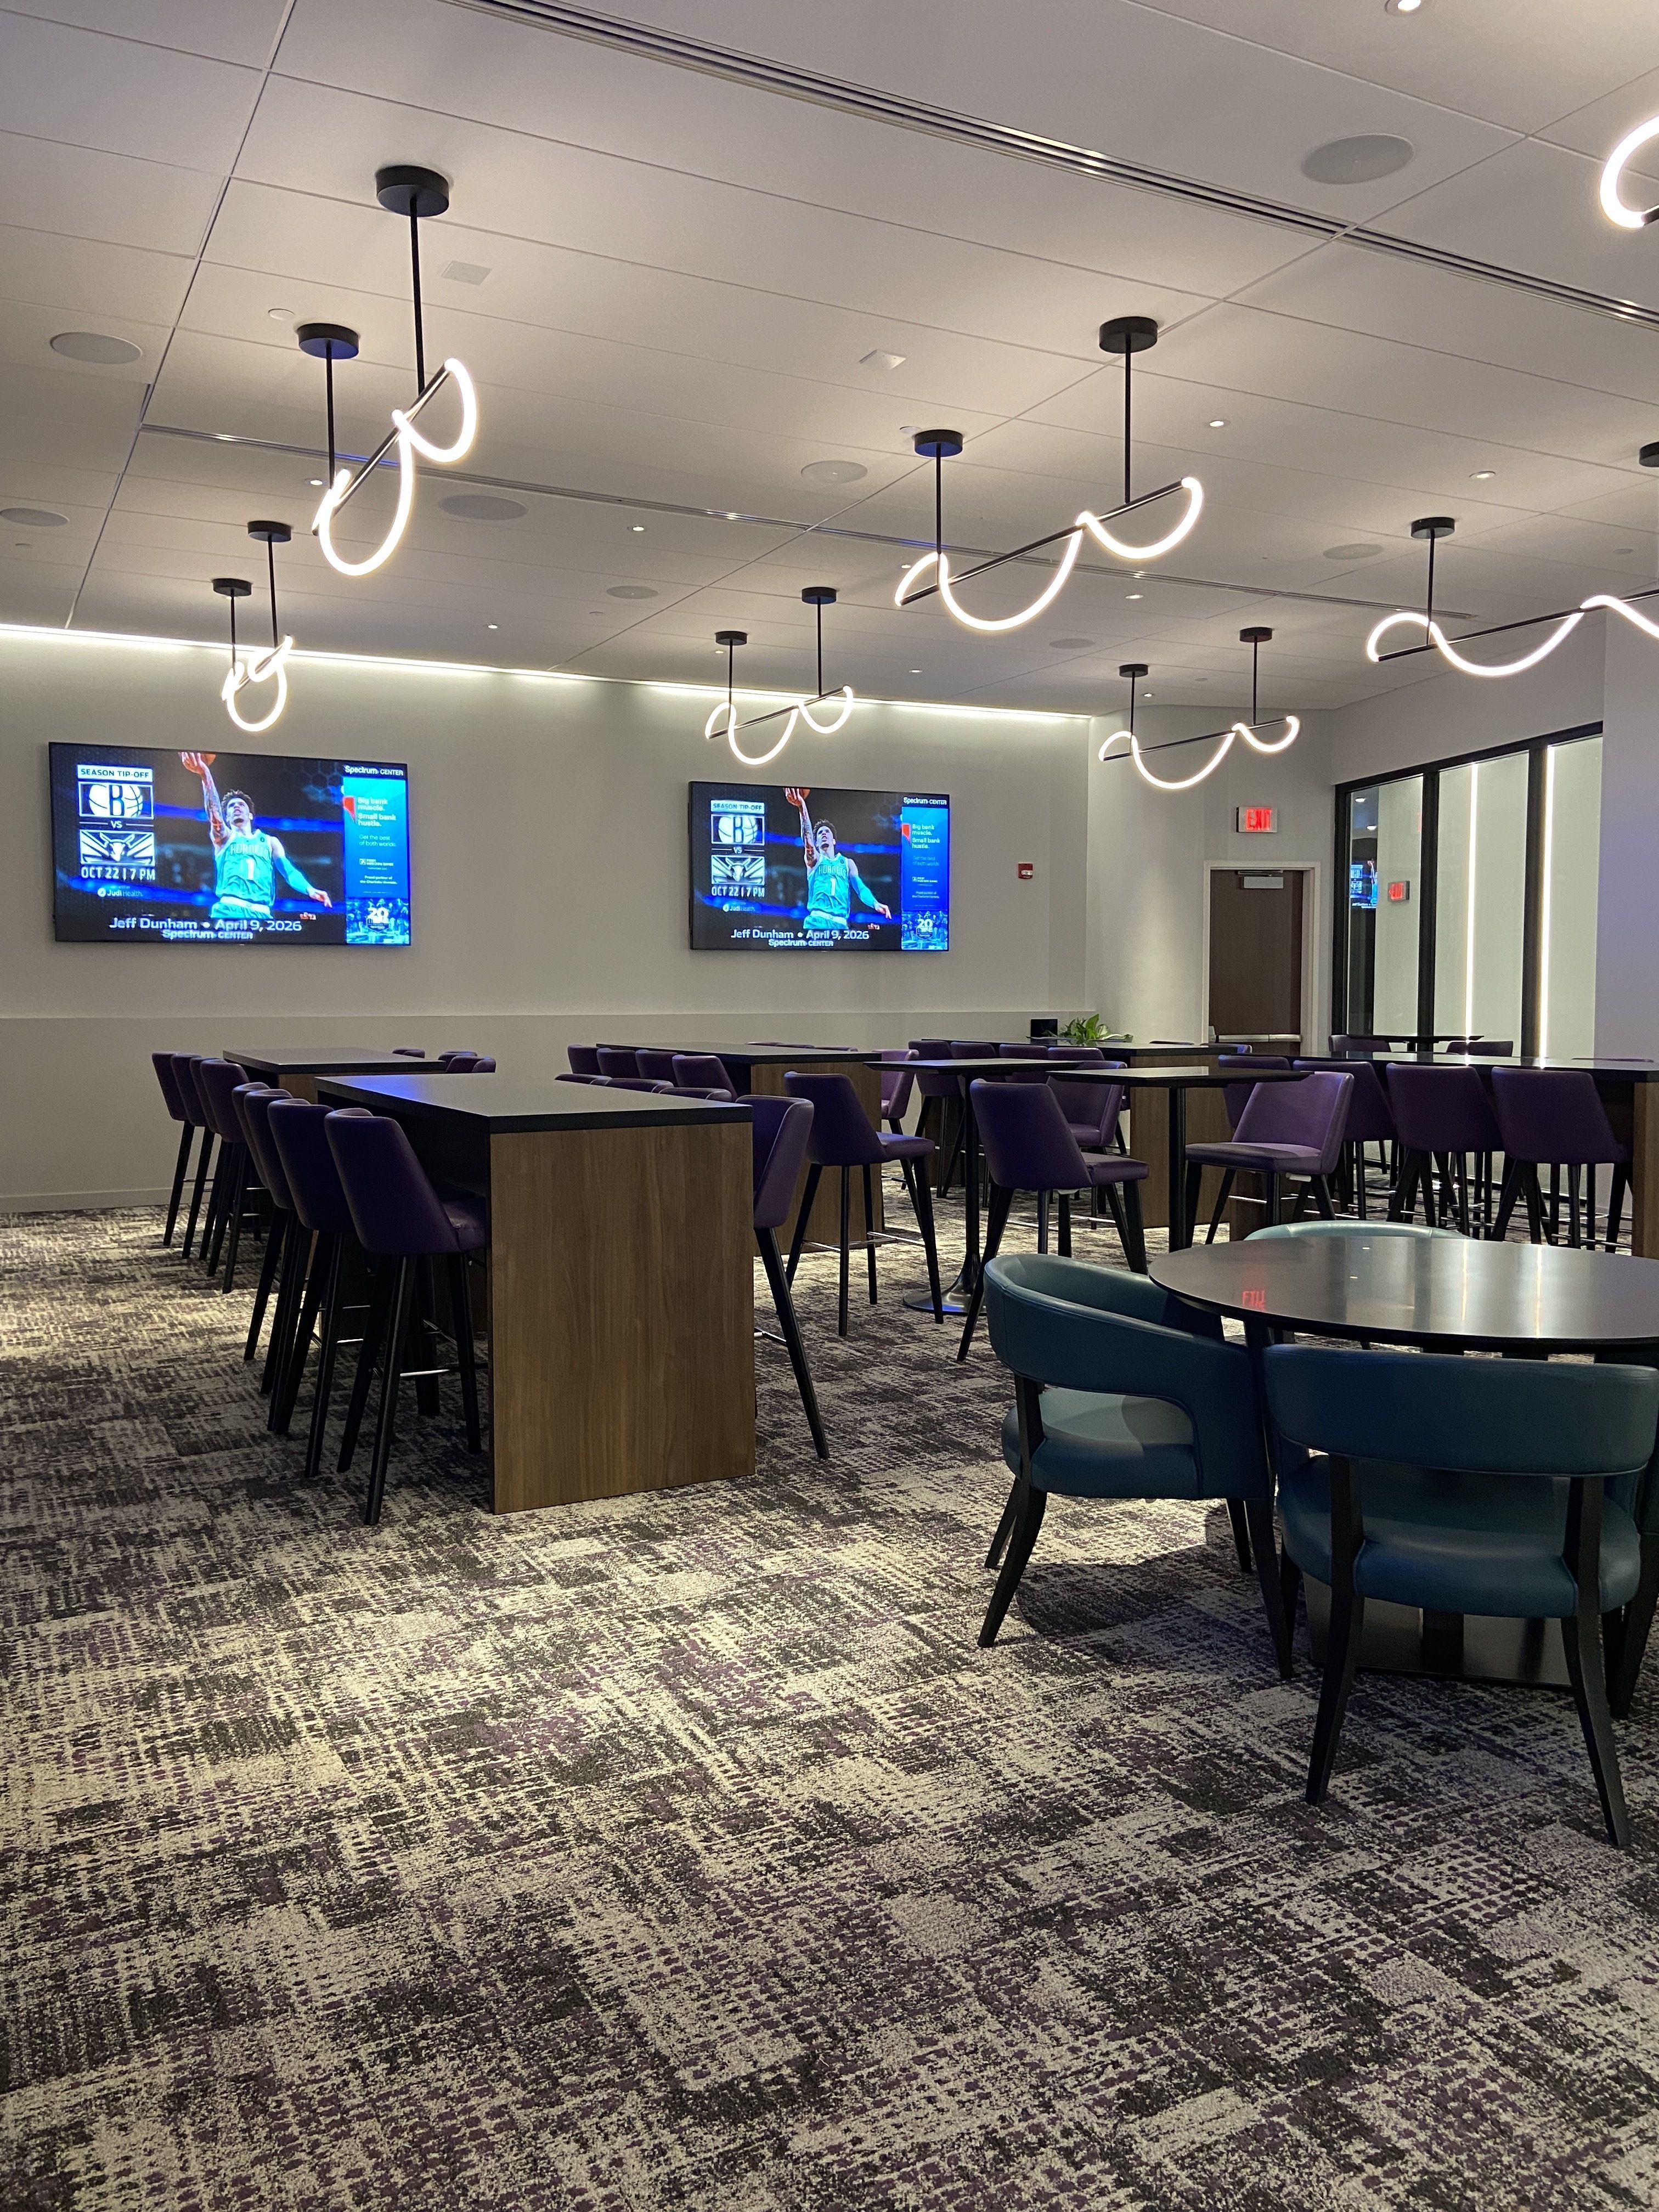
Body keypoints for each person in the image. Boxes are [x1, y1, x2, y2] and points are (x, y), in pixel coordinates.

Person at [179, 753, 331, 922]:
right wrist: (205, 775)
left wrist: (310, 889)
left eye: (241, 804)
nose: (236, 806)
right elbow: (214, 814)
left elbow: (289, 872)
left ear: (251, 815)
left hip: (262, 913)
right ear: (227, 817)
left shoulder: (270, 842)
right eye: (231, 806)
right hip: (229, 909)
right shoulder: (224, 838)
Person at [785, 787, 890, 933]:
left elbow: (860, 888)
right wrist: (802, 807)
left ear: (834, 841)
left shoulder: (848, 863)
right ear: (816, 843)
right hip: (817, 921)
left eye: (827, 831)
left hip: (841, 924)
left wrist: (875, 903)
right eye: (820, 833)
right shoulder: (815, 860)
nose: (824, 834)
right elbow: (807, 838)